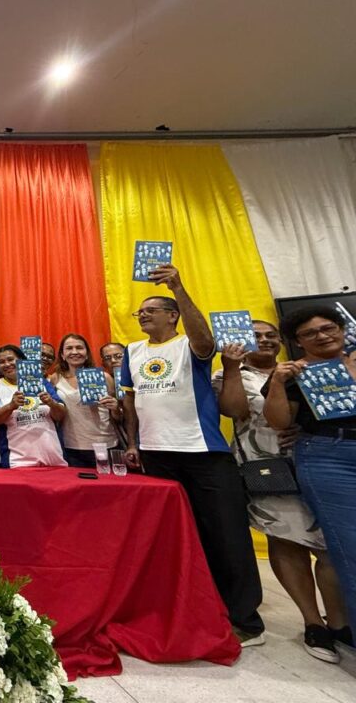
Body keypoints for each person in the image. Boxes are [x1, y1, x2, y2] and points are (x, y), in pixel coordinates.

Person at [121, 264, 264, 646]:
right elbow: (131, 403)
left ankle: (245, 619)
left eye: (151, 310)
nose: (143, 315)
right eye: (139, 312)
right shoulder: (132, 352)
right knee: (175, 535)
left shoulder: (189, 344)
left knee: (226, 535)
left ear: (173, 316)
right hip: (156, 455)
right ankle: (193, 603)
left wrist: (177, 288)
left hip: (202, 451)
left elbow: (205, 343)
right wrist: (133, 443)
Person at [216, 322, 350, 662]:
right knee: (286, 540)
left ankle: (339, 623)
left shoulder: (306, 369)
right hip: (265, 465)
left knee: (331, 545)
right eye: (255, 336)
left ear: (282, 340)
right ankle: (312, 622)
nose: (263, 340)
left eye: (270, 335)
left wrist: (304, 429)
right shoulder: (230, 373)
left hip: (320, 460)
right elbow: (234, 411)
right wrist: (231, 368)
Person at [264, 305, 356, 640]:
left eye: (328, 328)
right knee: (350, 547)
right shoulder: (295, 373)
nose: (322, 335)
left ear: (342, 329)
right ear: (298, 341)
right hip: (328, 457)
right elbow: (279, 422)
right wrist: (277, 381)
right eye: (310, 333)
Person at [0, 345, 67, 468]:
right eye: (1, 362)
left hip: (53, 457)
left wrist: (51, 403)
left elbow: (60, 415)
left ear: (21, 360)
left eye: (10, 359)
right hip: (17, 460)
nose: (7, 364)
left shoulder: (42, 382)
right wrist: (10, 406)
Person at [49, 334, 121, 468]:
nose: (74, 352)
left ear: (87, 354)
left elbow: (118, 417)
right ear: (62, 355)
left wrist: (115, 408)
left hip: (105, 443)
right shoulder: (55, 378)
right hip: (71, 446)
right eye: (69, 348)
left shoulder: (104, 377)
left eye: (79, 348)